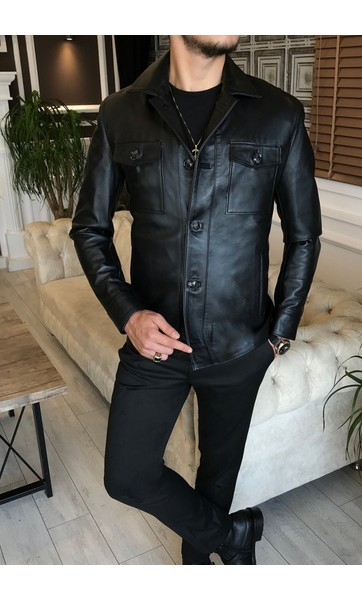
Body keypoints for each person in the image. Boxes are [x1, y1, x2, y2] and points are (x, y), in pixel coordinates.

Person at [70, 35, 321, 565]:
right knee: (127, 475)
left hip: (240, 346)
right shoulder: (120, 113)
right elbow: (89, 229)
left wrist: (280, 334)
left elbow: (304, 236)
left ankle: (202, 560)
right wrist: (128, 314)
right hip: (154, 346)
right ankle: (233, 536)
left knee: (217, 477)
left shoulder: (279, 114)